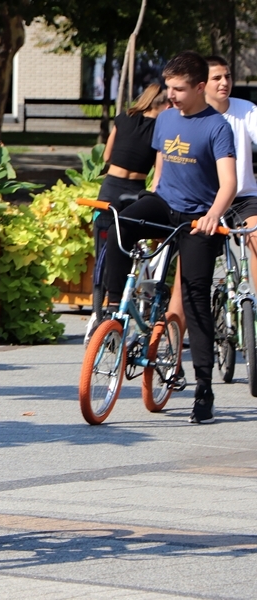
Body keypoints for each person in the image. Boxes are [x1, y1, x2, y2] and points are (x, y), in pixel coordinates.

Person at [104, 51, 237, 424]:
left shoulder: (216, 127)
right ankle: (115, 310)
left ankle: (204, 387)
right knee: (120, 224)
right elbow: (161, 171)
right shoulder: (164, 120)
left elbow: (230, 182)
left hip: (198, 219)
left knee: (194, 297)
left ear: (199, 88)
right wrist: (149, 197)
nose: (171, 94)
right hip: (164, 205)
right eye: (168, 87)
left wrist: (212, 215)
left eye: (179, 89)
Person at [167, 55, 257, 334]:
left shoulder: (246, 111)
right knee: (186, 276)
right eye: (217, 78)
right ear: (201, 86)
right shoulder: (190, 118)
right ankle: (172, 352)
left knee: (256, 238)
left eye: (228, 76)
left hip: (242, 198)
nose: (225, 82)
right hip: (203, 200)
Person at [87, 84, 169, 342]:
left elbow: (108, 155)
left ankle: (104, 308)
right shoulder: (162, 129)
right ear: (165, 105)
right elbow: (159, 172)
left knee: (105, 247)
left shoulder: (123, 118)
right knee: (132, 242)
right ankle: (133, 299)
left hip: (110, 187)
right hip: (136, 190)